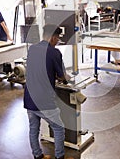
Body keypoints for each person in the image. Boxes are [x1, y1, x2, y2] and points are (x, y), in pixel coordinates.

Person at [23, 25, 72, 159]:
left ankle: (38, 156)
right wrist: (63, 77)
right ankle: (60, 156)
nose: (57, 42)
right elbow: (61, 76)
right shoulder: (54, 52)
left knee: (34, 128)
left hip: (29, 98)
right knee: (58, 128)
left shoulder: (32, 48)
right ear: (53, 37)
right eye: (57, 39)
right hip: (43, 101)